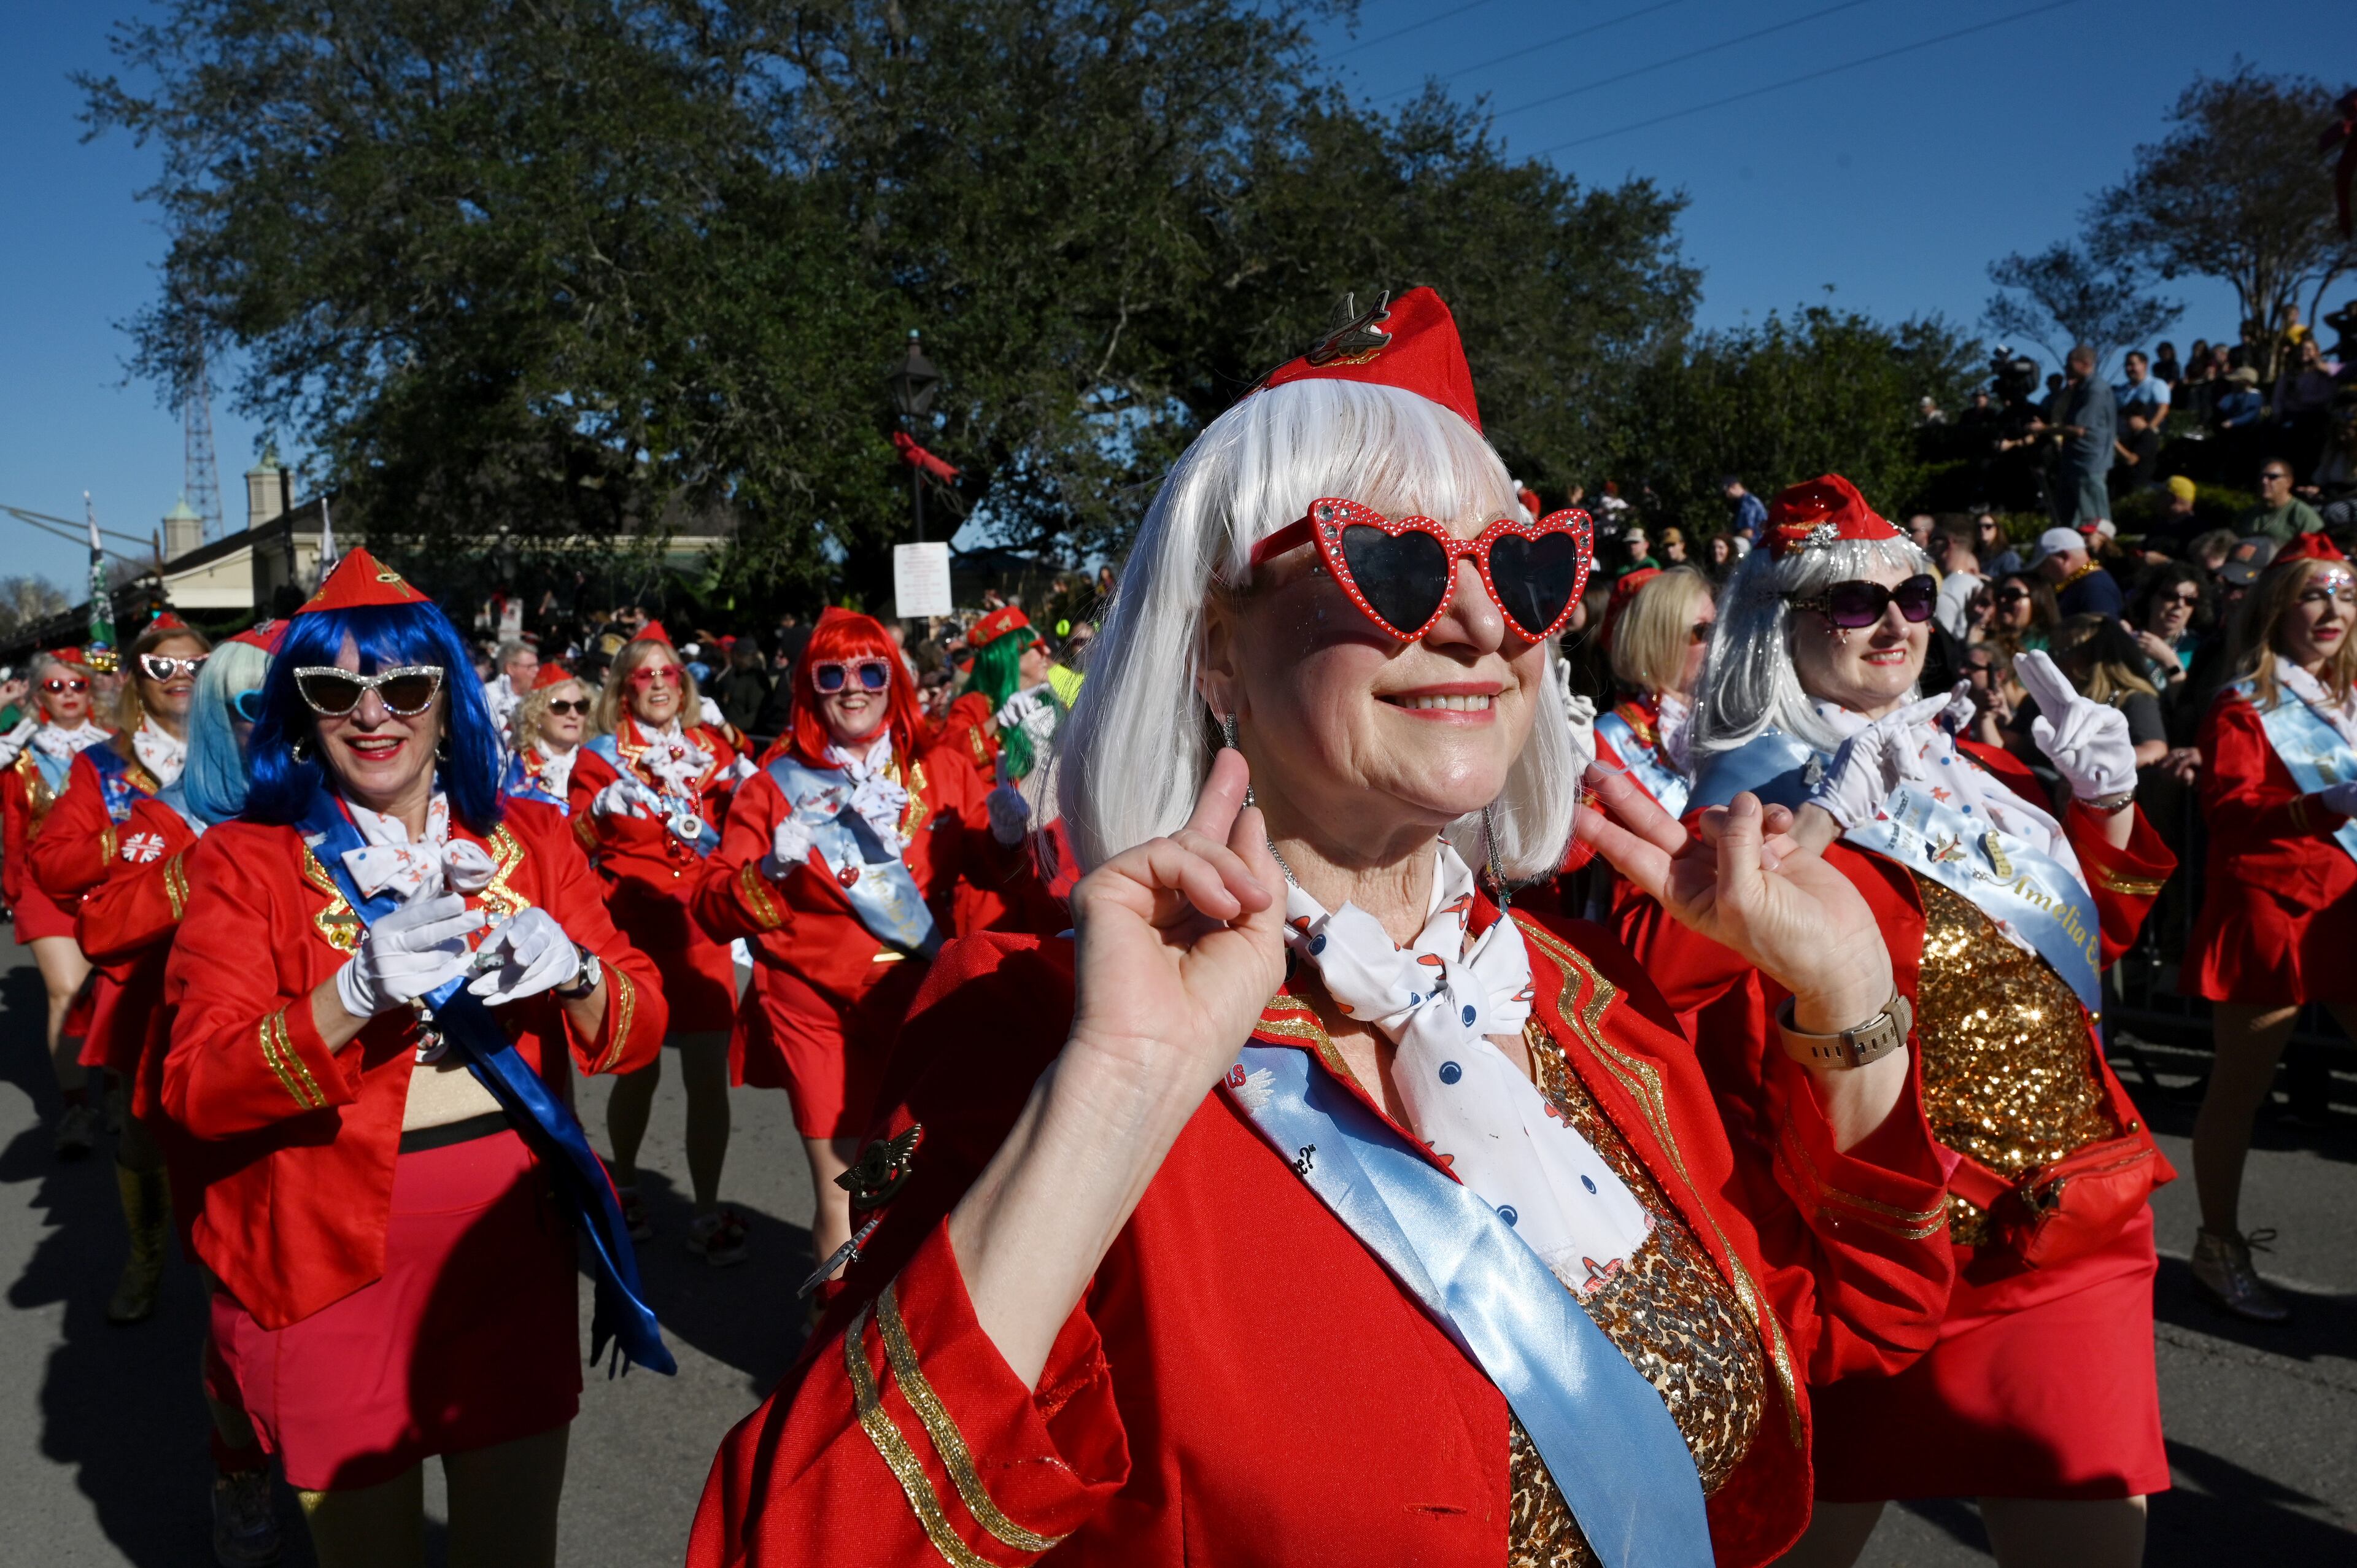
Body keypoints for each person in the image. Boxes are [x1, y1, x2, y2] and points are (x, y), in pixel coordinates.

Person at [690, 288, 1954, 1567]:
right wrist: (1120, 1093)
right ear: (1215, 647)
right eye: (1395, 563)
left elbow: (1862, 1327)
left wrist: (1846, 989)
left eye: (1522, 567)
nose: (1479, 623)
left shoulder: (1584, 991)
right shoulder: (1034, 1028)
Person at [1655, 474, 2175, 1568]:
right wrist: (1821, 824)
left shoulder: (1978, 769)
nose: (1895, 622)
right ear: (1777, 625)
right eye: (1853, 602)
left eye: (1913, 592)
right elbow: (1678, 983)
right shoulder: (1734, 802)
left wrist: (2108, 807)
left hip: (2065, 1230)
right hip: (1875, 1248)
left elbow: (2090, 953)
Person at [161, 550, 668, 1564]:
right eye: (334, 690)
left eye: (402, 685)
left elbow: (639, 1021)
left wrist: (574, 972)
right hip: (325, 1267)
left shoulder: (531, 839)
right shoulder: (243, 863)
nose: (372, 714)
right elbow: (197, 1087)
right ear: (300, 711)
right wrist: (346, 997)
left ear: (448, 699)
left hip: (506, 1254)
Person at [694, 608, 1043, 1278]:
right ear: (810, 687)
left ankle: (899, 1330)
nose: (852, 687)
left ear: (893, 680)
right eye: (833, 673)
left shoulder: (940, 767)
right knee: (841, 1182)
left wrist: (1003, 839)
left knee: (924, 1168)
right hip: (812, 1006)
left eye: (869, 670)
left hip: (918, 997)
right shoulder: (771, 788)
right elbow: (711, 906)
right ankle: (833, 1349)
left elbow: (988, 870)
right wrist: (768, 870)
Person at [74, 620, 284, 1564]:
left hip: (328, 1082)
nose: (275, 723)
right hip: (212, 1087)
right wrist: (204, 863)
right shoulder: (170, 816)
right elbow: (103, 925)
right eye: (251, 706)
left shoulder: (330, 806)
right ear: (213, 714)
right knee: (241, 1305)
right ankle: (239, 1466)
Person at [2180, 534, 2357, 1321]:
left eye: (2346, 595)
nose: (2333, 611)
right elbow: (2228, 811)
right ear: (2279, 604)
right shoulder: (2245, 704)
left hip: (2346, 909)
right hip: (2270, 906)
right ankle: (2218, 1244)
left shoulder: (2347, 702)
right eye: (2316, 595)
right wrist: (2326, 804)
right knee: (2241, 1089)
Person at [26, 613, 211, 1321]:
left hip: (241, 959)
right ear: (137, 680)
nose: (181, 678)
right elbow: (51, 862)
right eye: (163, 668)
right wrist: (129, 841)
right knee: (142, 1127)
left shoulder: (252, 751)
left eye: (195, 664)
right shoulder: (102, 764)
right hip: (145, 970)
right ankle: (147, 1257)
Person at [571, 621, 751, 1262]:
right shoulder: (599, 757)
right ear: (624, 686)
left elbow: (749, 821)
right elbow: (573, 848)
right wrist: (597, 812)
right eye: (643, 674)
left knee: (708, 1077)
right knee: (637, 1071)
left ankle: (705, 1206)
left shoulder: (713, 747)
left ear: (684, 684)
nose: (657, 684)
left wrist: (754, 779)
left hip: (701, 928)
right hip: (635, 926)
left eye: (667, 673)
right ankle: (626, 1183)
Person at [1, 647, 112, 1153]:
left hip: (111, 880)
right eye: (55, 686)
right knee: (66, 989)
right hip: (43, 885)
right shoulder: (17, 752)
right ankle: (76, 1106)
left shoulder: (119, 746)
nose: (68, 695)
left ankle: (118, 1086)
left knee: (113, 991)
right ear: (38, 693)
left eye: (78, 685)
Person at [1592, 565, 1713, 826]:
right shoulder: (1612, 735)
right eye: (1705, 631)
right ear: (1662, 640)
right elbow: (1574, 857)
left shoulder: (1732, 715)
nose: (1720, 642)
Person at [2040, 614, 2170, 770]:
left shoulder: (2134, 699)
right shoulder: (2055, 696)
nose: (2055, 660)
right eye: (2052, 652)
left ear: (2093, 657)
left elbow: (2154, 751)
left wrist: (2090, 768)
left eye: (2063, 652)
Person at [2042, 344, 2118, 531]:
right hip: (2075, 463)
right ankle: (2077, 560)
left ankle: (2094, 561)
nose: (2066, 370)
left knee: (2095, 526)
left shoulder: (2096, 390)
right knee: (2070, 523)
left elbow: (2080, 430)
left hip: (2089, 463)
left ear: (2084, 364)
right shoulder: (2080, 389)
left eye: (2070, 365)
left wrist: (2044, 430)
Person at [501, 662, 590, 809]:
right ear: (536, 715)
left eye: (581, 706)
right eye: (561, 707)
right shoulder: (513, 766)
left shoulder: (596, 761)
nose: (573, 715)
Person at [2030, 527, 2126, 619]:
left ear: (2063, 557)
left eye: (2044, 565)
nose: (2042, 572)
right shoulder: (2081, 583)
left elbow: (2104, 633)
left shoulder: (2094, 588)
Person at [2239, 458, 2325, 543]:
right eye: (2262, 477)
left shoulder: (2303, 515)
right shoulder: (2249, 514)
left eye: (2272, 477)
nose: (2264, 481)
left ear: (2289, 482)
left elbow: (2317, 551)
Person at [1932, 526, 1984, 639]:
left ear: (1947, 544)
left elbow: (1940, 645)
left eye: (1933, 540)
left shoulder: (1944, 593)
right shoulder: (1983, 586)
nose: (1930, 547)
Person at [1989, 571, 2061, 652]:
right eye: (1999, 595)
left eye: (2012, 595)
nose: (2002, 600)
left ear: (2037, 601)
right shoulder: (1992, 639)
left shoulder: (2050, 648)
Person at [482, 639, 538, 735]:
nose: (537, 670)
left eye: (537, 665)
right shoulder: (487, 697)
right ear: (511, 669)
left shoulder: (537, 696)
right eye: (530, 667)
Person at [2116, 349, 2170, 426]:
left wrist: (2149, 431)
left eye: (2132, 364)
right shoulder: (2121, 390)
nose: (2129, 369)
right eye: (2127, 365)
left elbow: (2163, 409)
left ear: (2144, 365)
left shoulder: (2157, 385)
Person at [1975, 511, 2024, 577]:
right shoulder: (1973, 556)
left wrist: (1988, 581)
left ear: (1997, 529)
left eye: (1988, 526)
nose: (1983, 530)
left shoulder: (2009, 557)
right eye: (1979, 527)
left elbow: (2013, 582)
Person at [1724, 474, 1769, 542]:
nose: (1727, 496)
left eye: (1726, 492)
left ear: (1734, 486)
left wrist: (1730, 542)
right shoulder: (1746, 501)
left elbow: (1747, 533)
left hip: (1756, 545)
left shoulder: (1748, 502)